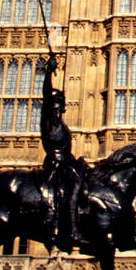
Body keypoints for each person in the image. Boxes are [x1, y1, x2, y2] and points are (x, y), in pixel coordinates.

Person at [40, 53, 83, 251]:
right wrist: (49, 71)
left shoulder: (62, 125)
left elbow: (66, 150)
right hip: (55, 164)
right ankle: (72, 229)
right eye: (60, 101)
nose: (62, 105)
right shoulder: (48, 118)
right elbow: (46, 92)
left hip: (65, 162)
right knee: (75, 184)